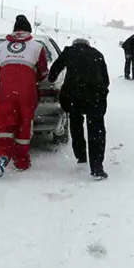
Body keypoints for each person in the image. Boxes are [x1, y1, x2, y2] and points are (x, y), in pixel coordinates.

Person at [0, 15, 49, 177]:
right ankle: (21, 161)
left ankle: (2, 154)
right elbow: (43, 72)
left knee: (4, 124)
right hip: (26, 91)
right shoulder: (37, 47)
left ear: (14, 30)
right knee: (24, 124)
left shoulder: (1, 47)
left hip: (5, 91)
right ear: (29, 30)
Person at [48, 37, 110, 179]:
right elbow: (105, 80)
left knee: (76, 123)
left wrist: (51, 79)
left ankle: (81, 156)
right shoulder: (97, 54)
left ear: (74, 44)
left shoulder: (70, 51)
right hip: (95, 96)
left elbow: (56, 68)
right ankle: (97, 168)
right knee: (97, 130)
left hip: (74, 95)